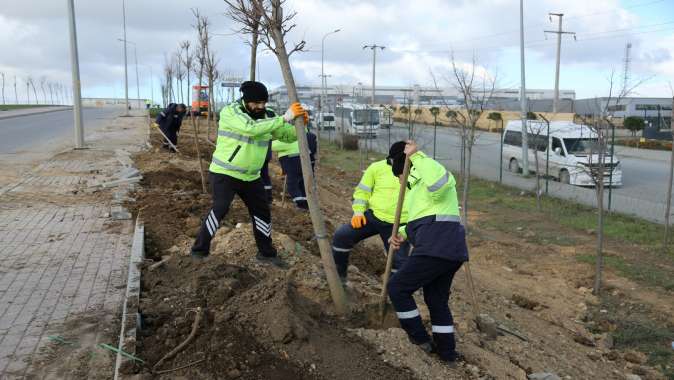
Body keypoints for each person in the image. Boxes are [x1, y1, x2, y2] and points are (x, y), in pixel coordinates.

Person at [190, 81, 307, 265]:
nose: (260, 107)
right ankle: (199, 251)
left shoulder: (268, 115)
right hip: (225, 172)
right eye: (256, 103)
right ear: (246, 100)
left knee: (262, 212)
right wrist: (284, 118)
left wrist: (300, 124)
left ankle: (267, 254)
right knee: (220, 208)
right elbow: (250, 128)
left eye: (263, 103)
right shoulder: (231, 112)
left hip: (251, 176)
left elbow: (287, 135)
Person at [387, 140, 468, 364]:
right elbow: (426, 215)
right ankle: (447, 353)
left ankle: (419, 340)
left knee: (398, 287)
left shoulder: (430, 170)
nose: (400, 181)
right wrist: (402, 233)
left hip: (436, 247)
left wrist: (417, 157)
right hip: (450, 249)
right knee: (436, 300)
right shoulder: (416, 188)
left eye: (399, 175)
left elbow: (440, 187)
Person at [331, 142, 411, 283]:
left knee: (400, 263)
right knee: (341, 236)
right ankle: (339, 279)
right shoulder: (376, 168)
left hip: (400, 224)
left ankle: (393, 295)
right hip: (374, 217)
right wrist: (358, 212)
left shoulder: (414, 172)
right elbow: (362, 192)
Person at [271, 129, 317, 210]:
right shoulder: (305, 136)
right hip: (307, 164)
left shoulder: (290, 139)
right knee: (302, 184)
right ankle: (307, 204)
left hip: (293, 165)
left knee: (292, 185)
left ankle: (301, 204)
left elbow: (272, 146)